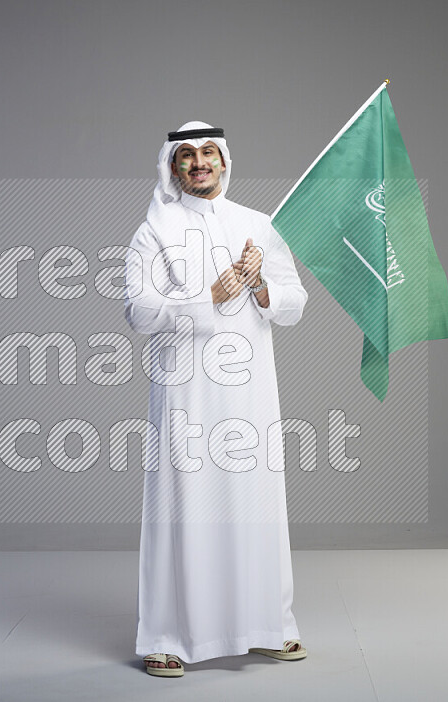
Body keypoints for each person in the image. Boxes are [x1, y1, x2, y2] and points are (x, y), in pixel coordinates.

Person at [123, 121, 309, 677]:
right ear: (172, 166)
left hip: (250, 394)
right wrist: (211, 295)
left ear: (224, 161)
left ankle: (268, 626)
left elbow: (295, 302)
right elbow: (137, 311)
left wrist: (257, 285)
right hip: (184, 393)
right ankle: (166, 636)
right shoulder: (152, 230)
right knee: (182, 504)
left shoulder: (257, 226)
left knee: (255, 502)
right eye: (187, 156)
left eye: (208, 153)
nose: (199, 162)